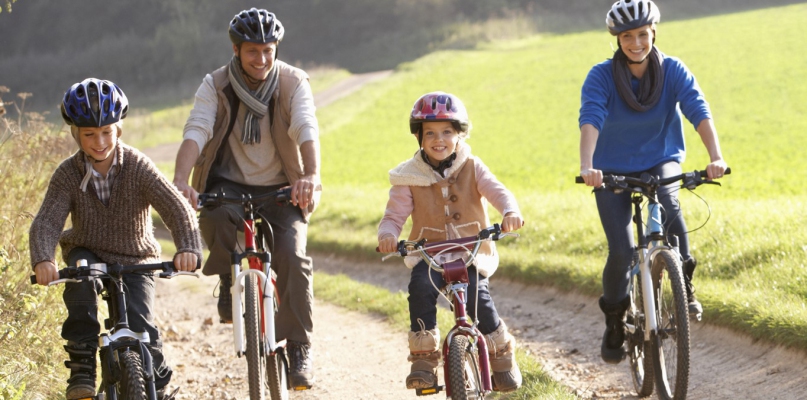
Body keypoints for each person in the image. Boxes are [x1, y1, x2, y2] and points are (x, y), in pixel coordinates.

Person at [172, 8, 320, 389]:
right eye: (253, 51)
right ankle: (227, 277)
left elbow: (306, 126)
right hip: (229, 183)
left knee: (293, 256)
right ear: (236, 50)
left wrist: (310, 175)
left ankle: (299, 346)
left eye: (269, 50)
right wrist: (180, 179)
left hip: (282, 185)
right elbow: (198, 129)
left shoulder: (292, 81)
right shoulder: (216, 85)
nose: (262, 59)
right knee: (216, 216)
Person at [29, 78, 203, 399]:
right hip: (88, 252)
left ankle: (158, 388)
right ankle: (82, 365)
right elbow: (47, 221)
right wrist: (43, 258)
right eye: (89, 134)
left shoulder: (137, 166)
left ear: (118, 129)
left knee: (144, 328)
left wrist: (188, 246)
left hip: (136, 257)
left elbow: (176, 207)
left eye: (107, 131)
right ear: (75, 134)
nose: (99, 141)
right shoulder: (68, 174)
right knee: (81, 285)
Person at [578, 0, 728, 364]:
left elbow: (697, 108)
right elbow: (591, 118)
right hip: (611, 168)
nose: (635, 43)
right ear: (617, 39)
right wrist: (587, 165)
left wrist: (715, 157)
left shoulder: (673, 69)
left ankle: (683, 286)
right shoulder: (601, 76)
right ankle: (615, 319)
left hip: (661, 158)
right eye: (627, 36)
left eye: (642, 34)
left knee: (670, 202)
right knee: (621, 250)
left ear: (653, 33)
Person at [377, 91, 524, 392]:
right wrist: (388, 235)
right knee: (419, 289)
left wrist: (510, 212)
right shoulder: (409, 176)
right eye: (429, 133)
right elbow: (394, 215)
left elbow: (498, 192)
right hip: (428, 253)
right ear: (419, 138)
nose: (438, 139)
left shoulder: (473, 166)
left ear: (459, 135)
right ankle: (424, 361)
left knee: (478, 301)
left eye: (447, 132)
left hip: (470, 252)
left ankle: (501, 359)